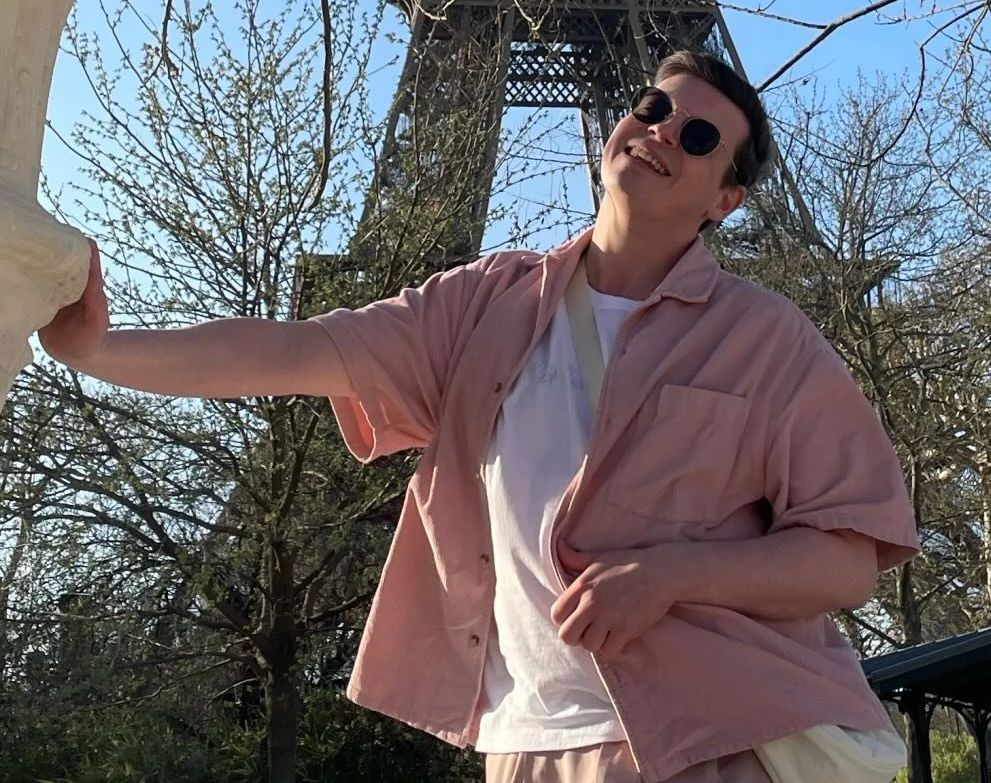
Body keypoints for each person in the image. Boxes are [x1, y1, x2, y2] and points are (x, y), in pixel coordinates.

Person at [38, 50, 919, 783]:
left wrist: (672, 575)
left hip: (707, 739)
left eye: (695, 137)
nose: (657, 131)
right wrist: (101, 351)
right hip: (523, 743)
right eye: (652, 106)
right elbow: (292, 351)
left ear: (724, 199)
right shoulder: (482, 307)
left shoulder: (767, 342)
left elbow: (845, 562)